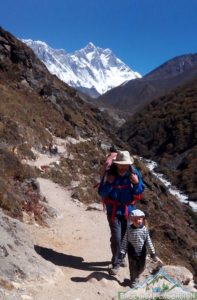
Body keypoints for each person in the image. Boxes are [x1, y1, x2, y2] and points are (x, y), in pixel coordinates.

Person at [98, 150, 144, 275]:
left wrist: (136, 183)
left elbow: (139, 193)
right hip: (113, 211)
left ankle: (121, 256)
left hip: (128, 211)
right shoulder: (110, 174)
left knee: (124, 237)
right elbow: (101, 192)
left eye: (126, 165)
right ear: (117, 164)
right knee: (117, 238)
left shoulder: (134, 174)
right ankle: (116, 263)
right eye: (121, 164)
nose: (123, 167)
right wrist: (109, 183)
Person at [121, 209, 158, 287]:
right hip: (132, 252)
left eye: (140, 219)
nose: (138, 221)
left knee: (142, 267)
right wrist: (122, 252)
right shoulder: (129, 230)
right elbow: (125, 241)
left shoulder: (144, 230)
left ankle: (137, 276)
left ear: (142, 219)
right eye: (135, 219)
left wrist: (152, 253)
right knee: (133, 267)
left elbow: (148, 241)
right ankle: (133, 280)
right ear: (132, 220)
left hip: (142, 252)